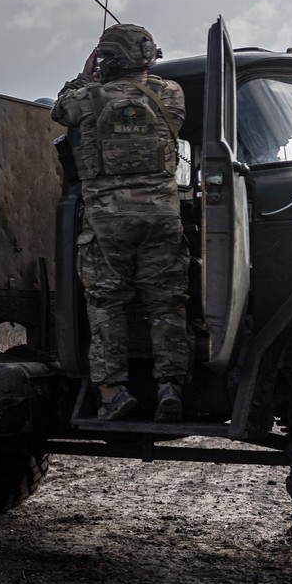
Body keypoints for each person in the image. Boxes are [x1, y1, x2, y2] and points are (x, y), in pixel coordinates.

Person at [50, 23, 190, 422]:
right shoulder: (171, 94)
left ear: (108, 59)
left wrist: (85, 74)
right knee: (166, 304)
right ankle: (170, 388)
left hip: (108, 221)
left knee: (107, 306)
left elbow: (60, 108)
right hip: (162, 217)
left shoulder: (89, 98)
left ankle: (113, 393)